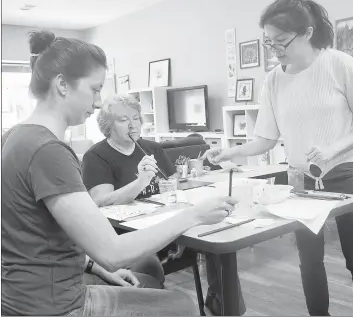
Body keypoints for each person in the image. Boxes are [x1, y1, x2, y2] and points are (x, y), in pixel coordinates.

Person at [1, 30, 238, 316]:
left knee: (151, 283)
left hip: (20, 297)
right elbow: (113, 252)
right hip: (56, 306)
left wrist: (94, 266)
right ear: (62, 84)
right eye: (94, 89)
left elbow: (38, 238)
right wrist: (194, 215)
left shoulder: (14, 137)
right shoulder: (49, 151)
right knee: (181, 306)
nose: (99, 101)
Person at [202, 0, 353, 316]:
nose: (275, 49)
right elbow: (265, 139)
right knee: (309, 260)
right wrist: (230, 151)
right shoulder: (273, 80)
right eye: (269, 42)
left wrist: (332, 147)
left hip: (349, 175)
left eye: (281, 41)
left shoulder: (339, 63)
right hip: (302, 181)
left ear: (308, 33)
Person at [82, 94, 247, 315]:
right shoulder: (96, 155)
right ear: (108, 126)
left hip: (164, 220)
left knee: (215, 235)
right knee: (147, 268)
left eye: (136, 118)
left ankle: (222, 306)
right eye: (123, 120)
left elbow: (172, 185)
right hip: (129, 234)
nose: (133, 125)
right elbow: (101, 201)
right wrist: (140, 181)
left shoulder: (153, 148)